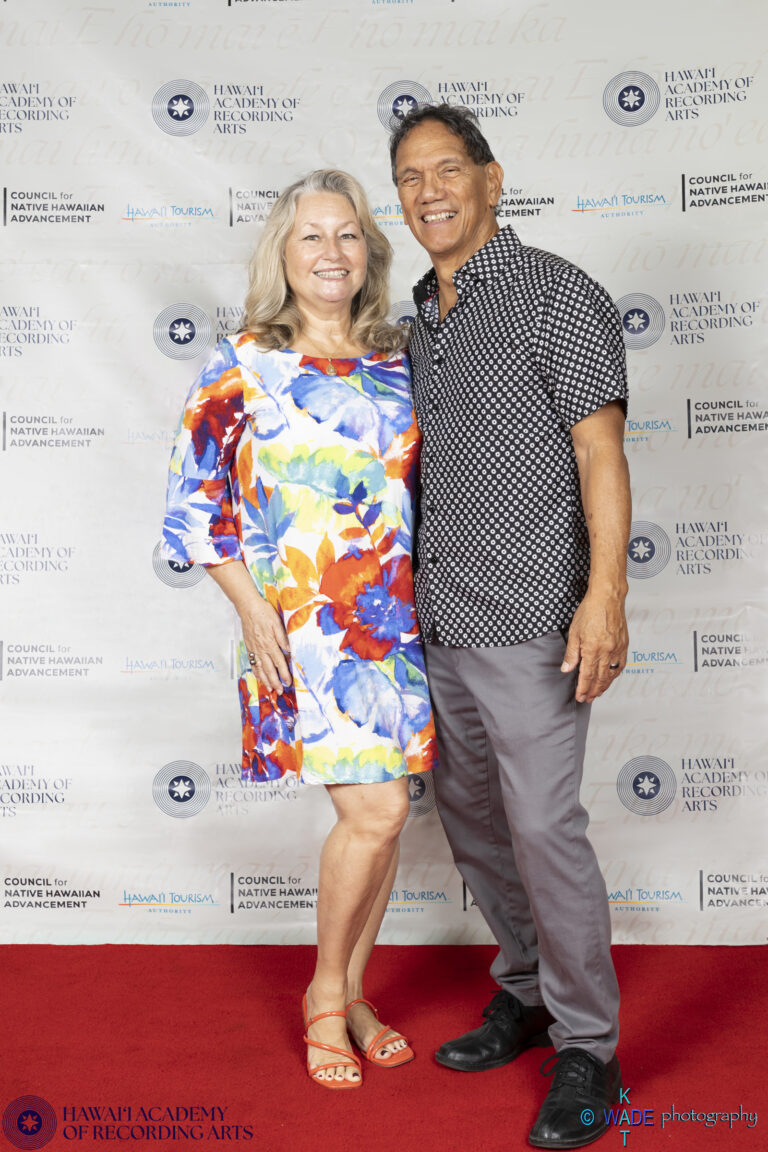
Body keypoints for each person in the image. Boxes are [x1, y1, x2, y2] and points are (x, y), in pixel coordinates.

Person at [162, 169, 437, 1090]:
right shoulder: (243, 360)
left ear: (370, 252)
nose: (332, 251)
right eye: (312, 235)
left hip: (395, 623)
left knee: (385, 821)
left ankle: (354, 994)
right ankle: (324, 995)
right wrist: (251, 609)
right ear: (283, 254)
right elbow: (194, 508)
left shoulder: (400, 359)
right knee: (379, 810)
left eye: (348, 233)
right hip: (302, 625)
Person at [389, 104, 631, 1148]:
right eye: (410, 178)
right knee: (476, 825)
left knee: (542, 828)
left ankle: (590, 1048)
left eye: (448, 169)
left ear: (493, 180)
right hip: (439, 619)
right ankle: (526, 988)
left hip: (534, 619)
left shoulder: (555, 294)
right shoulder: (417, 318)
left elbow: (599, 452)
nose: (429, 192)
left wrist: (606, 596)